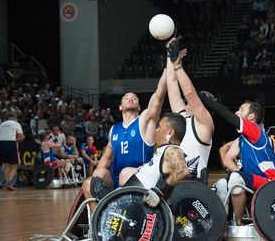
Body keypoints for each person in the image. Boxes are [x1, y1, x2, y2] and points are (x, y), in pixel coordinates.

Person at [82, 68, 167, 209]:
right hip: (116, 178)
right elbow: (107, 159)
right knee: (93, 180)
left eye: (134, 98)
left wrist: (168, 64)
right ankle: (97, 224)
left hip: (139, 175)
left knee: (125, 172)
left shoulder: (144, 121)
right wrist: (96, 175)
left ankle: (123, 214)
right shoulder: (114, 130)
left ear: (139, 106)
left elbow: (159, 94)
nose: (130, 98)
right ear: (121, 107)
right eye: (126, 97)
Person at [198, 95, 275, 226]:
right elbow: (226, 159)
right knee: (221, 184)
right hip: (254, 179)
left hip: (269, 181)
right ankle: (222, 222)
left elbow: (226, 115)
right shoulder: (242, 139)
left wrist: (204, 99)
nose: (237, 112)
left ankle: (238, 223)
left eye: (241, 110)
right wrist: (240, 171)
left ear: (250, 117)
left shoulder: (255, 130)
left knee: (236, 180)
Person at [165, 38, 214, 181]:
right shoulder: (182, 116)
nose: (198, 98)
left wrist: (178, 66)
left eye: (202, 99)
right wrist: (170, 56)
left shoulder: (205, 123)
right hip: (171, 182)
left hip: (194, 183)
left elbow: (190, 93)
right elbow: (171, 82)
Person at [119, 113, 190, 208]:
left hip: (134, 203)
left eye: (159, 127)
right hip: (128, 197)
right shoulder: (165, 150)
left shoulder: (172, 150)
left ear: (170, 132)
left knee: (94, 184)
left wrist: (159, 191)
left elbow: (182, 171)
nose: (156, 130)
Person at [0, 111, 24, 191]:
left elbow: (0, 135)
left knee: (6, 165)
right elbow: (21, 137)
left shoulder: (1, 124)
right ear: (13, 117)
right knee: (14, 165)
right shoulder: (16, 124)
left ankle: (7, 183)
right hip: (10, 143)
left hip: (1, 143)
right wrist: (19, 140)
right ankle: (9, 182)